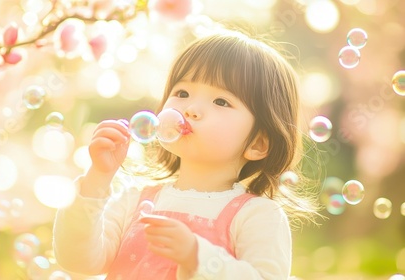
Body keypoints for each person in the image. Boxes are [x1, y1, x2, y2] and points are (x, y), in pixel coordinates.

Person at [53, 30, 320, 280]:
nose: (191, 108)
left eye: (221, 101)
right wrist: (97, 179)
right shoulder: (134, 201)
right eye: (182, 92)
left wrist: (197, 257)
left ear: (259, 144)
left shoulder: (257, 216)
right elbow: (77, 260)